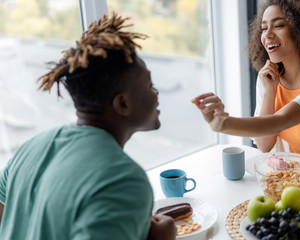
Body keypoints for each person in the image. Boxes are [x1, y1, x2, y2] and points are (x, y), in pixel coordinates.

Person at [0, 14, 176, 240]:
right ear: (123, 103)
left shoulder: (33, 146)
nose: (156, 94)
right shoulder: (122, 182)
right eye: (150, 86)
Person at [192, 0, 300, 174]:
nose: (268, 35)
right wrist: (269, 92)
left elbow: (279, 122)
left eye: (278, 25)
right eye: (264, 28)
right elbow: (264, 145)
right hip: (299, 176)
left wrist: (224, 124)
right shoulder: (268, 78)